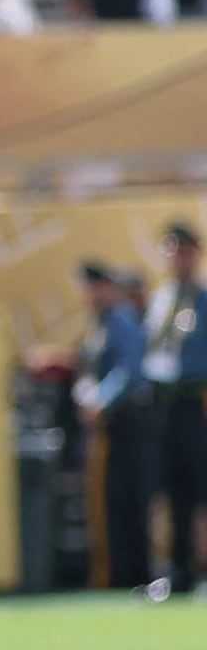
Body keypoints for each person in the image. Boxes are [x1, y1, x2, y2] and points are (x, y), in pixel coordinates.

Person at [75, 261, 153, 591]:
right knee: (112, 500)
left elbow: (129, 370)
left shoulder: (119, 320)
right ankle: (117, 573)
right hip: (109, 425)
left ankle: (133, 573)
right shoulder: (99, 323)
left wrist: (100, 400)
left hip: (128, 421)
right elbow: (88, 369)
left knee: (129, 498)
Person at [143, 225, 206, 597]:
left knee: (200, 490)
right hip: (164, 405)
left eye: (184, 251)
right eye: (172, 250)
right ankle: (179, 570)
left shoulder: (202, 300)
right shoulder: (163, 299)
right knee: (175, 491)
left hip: (196, 401)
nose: (177, 259)